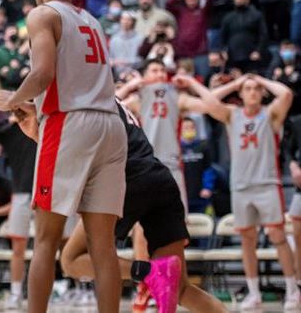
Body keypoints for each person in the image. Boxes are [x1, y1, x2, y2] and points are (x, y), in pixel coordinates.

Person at [0, 0, 126, 313]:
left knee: (46, 240)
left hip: (70, 123)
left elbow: (42, 74)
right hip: (112, 124)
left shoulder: (42, 15)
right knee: (103, 246)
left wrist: (12, 99)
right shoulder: (93, 21)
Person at [15, 100, 227, 313]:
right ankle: (160, 275)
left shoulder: (82, 102)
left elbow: (77, 156)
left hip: (127, 180)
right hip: (160, 178)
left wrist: (39, 134)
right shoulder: (106, 97)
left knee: (72, 259)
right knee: (179, 288)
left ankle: (149, 271)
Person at [193, 73, 300, 309]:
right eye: (248, 89)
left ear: (262, 92)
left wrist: (260, 79)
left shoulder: (271, 114)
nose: (252, 92)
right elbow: (209, 100)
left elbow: (286, 94)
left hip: (267, 184)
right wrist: (236, 83)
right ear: (240, 94)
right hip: (241, 187)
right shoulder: (232, 115)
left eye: (256, 89)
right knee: (247, 240)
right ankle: (254, 293)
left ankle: (293, 290)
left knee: (277, 237)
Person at [116, 62, 220, 208]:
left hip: (172, 166)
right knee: (141, 226)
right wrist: (128, 86)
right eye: (154, 71)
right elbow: (108, 108)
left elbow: (212, 106)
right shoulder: (137, 99)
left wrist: (191, 82)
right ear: (143, 76)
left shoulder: (177, 97)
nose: (160, 74)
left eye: (163, 70)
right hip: (144, 165)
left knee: (177, 223)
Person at [0, 114, 36, 310]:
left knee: (51, 245)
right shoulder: (12, 130)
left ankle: (76, 287)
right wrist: (9, 120)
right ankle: (15, 293)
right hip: (20, 194)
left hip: (47, 192)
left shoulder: (45, 125)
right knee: (17, 249)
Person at [220, 0, 268, 71]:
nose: (239, 1)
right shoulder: (228, 17)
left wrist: (258, 51)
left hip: (251, 56)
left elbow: (263, 35)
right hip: (233, 57)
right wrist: (223, 50)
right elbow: (223, 36)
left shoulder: (256, 15)